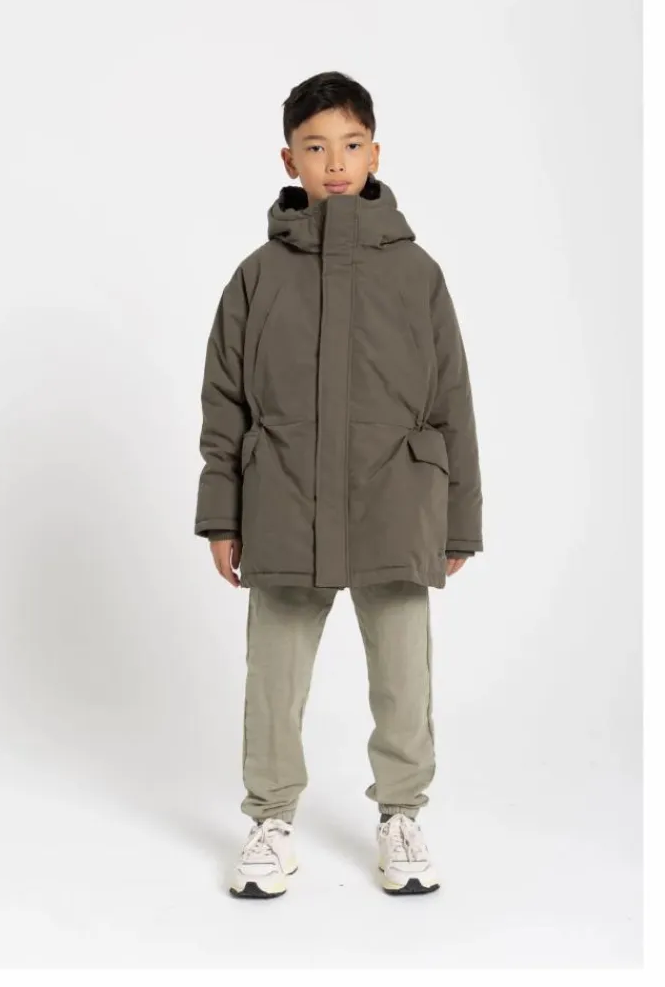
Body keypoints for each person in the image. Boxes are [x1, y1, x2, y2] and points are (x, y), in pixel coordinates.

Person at [193, 71, 483, 899]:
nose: (335, 163)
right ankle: (270, 820)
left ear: (375, 153)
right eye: (315, 147)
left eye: (351, 145)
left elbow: (452, 400)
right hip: (285, 502)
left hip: (398, 503)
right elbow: (225, 401)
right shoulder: (256, 277)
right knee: (274, 678)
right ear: (289, 160)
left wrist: (459, 521)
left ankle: (401, 815)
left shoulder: (418, 274)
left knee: (403, 677)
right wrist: (223, 516)